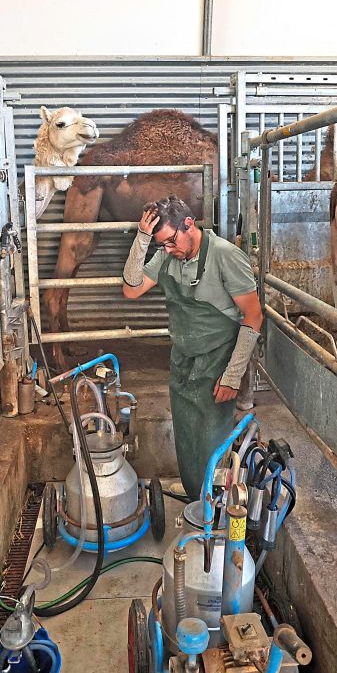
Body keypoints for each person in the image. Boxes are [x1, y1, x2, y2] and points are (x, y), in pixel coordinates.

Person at [120, 195, 262, 498]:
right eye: (163, 245)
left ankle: (216, 506)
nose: (169, 250)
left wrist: (233, 376)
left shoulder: (226, 256)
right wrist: (143, 239)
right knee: (186, 436)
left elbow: (253, 316)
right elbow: (131, 289)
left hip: (218, 361)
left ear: (188, 224)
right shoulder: (167, 255)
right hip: (183, 359)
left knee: (211, 439)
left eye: (171, 241)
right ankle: (195, 496)